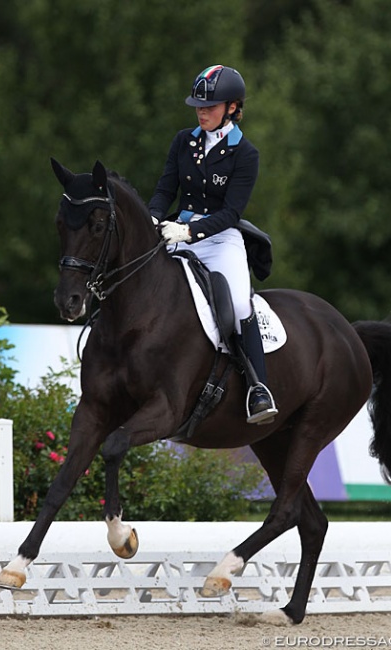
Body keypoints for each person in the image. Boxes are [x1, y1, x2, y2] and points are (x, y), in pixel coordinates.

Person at [148, 64, 277, 425]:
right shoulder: (182, 141)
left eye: (210, 107)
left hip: (220, 239)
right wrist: (154, 217)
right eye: (199, 107)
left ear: (232, 108)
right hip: (175, 232)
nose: (202, 113)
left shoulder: (245, 153)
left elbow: (232, 212)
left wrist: (189, 233)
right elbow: (164, 190)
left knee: (237, 303)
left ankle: (257, 388)